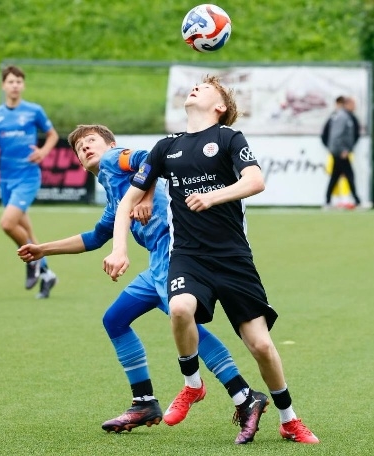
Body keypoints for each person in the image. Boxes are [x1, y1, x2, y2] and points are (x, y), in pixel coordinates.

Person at [17, 124, 268, 444]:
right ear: (79, 164)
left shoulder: (114, 160)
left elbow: (149, 159)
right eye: (80, 148)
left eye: (92, 141)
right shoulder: (114, 197)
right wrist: (43, 249)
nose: (86, 148)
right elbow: (95, 237)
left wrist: (147, 196)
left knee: (185, 324)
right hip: (156, 265)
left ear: (111, 144)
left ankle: (243, 395)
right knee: (115, 319)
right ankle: (144, 403)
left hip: (175, 254)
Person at [103, 76, 320, 444]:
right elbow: (127, 202)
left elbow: (255, 181)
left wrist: (213, 196)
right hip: (188, 256)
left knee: (261, 346)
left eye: (206, 88)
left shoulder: (229, 138)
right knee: (179, 308)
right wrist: (119, 248)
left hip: (234, 259)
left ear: (220, 106)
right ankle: (192, 384)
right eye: (195, 86)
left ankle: (289, 419)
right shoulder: (165, 147)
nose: (195, 88)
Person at [0, 65, 59, 298]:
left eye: (18, 82)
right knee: (27, 232)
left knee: (7, 223)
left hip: (28, 177)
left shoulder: (34, 111)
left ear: (23, 85)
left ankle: (33, 262)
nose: (15, 85)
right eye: (11, 82)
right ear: (3, 86)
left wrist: (43, 152)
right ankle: (47, 274)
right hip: (6, 179)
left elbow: (52, 135)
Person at [322, 95, 361, 209]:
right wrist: (342, 150)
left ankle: (327, 201)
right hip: (340, 152)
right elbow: (336, 136)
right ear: (347, 104)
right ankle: (357, 201)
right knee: (349, 175)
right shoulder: (342, 117)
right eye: (353, 104)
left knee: (335, 176)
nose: (355, 107)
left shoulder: (346, 116)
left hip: (341, 151)